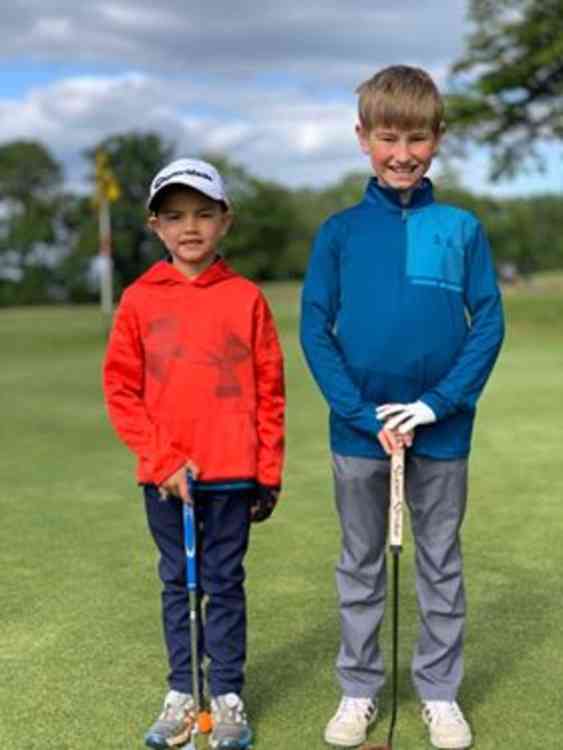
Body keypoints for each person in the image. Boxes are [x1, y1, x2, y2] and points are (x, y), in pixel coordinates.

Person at [300, 66, 504, 750]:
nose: (402, 153)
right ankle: (358, 690)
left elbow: (488, 324)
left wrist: (435, 405)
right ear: (362, 138)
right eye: (388, 137)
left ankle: (439, 694)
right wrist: (364, 416)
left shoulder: (461, 227)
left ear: (437, 139)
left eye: (416, 138)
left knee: (439, 561)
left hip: (442, 433)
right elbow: (313, 328)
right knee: (361, 562)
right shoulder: (338, 232)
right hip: (358, 434)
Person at [103, 158, 285, 750]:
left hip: (232, 472)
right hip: (166, 477)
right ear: (155, 225)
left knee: (224, 583)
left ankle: (226, 693)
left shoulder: (246, 297)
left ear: (224, 222)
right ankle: (183, 691)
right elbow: (121, 391)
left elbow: (270, 389)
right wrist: (160, 460)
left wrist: (268, 472)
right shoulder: (137, 299)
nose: (190, 227)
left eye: (204, 214)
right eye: (176, 216)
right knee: (177, 581)